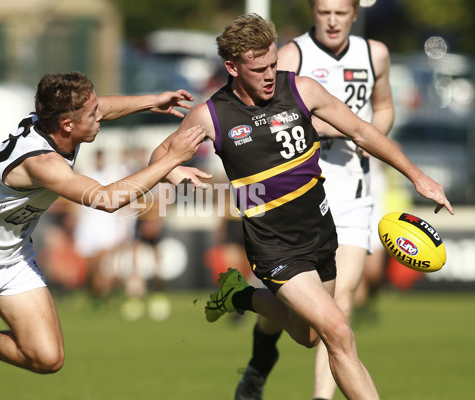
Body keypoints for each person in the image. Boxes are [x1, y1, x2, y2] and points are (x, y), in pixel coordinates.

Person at [150, 13, 452, 400]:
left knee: (308, 336)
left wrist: (417, 175)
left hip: (320, 234)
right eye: (259, 68)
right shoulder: (212, 116)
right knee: (338, 331)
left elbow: (361, 129)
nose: (270, 74)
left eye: (273, 64)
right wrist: (176, 176)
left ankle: (239, 296)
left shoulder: (303, 90)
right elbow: (160, 155)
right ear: (232, 67)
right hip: (273, 246)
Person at [0, 71, 206, 400]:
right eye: (92, 115)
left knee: (48, 358)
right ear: (67, 124)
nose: (100, 117)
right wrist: (172, 159)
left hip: (13, 258)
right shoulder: (42, 162)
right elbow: (107, 199)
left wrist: (152, 100)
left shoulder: (60, 124)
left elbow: (103, 107)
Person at [235, 1, 396, 398]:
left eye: (340, 12)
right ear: (314, 11)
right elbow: (268, 116)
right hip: (297, 196)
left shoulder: (375, 54)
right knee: (296, 316)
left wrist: (369, 135)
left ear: (354, 14)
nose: (332, 20)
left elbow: (384, 108)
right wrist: (342, 127)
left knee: (339, 307)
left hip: (353, 192)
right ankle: (259, 361)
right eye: (324, 11)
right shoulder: (293, 55)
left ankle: (321, 397)